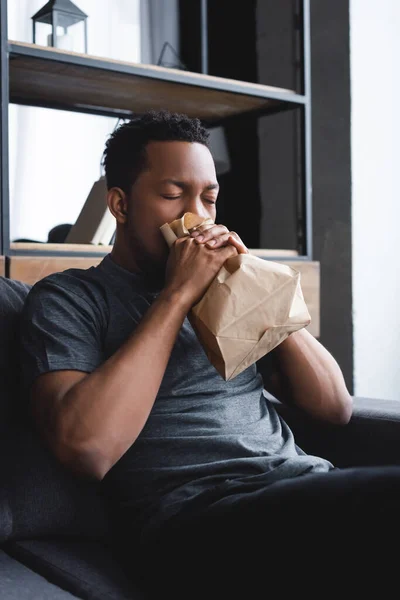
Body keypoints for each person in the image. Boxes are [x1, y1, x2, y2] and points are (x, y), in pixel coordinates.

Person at [19, 110, 399, 597]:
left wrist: (258, 289)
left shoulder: (225, 293)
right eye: (173, 195)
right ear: (119, 204)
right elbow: (86, 449)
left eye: (209, 199)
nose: (195, 216)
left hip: (300, 486)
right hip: (195, 520)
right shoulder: (70, 298)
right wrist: (176, 296)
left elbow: (335, 407)